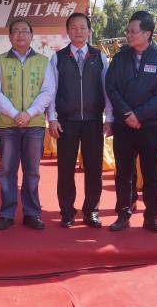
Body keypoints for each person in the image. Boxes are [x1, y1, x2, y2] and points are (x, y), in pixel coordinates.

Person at [105, 11, 157, 234]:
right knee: (123, 172)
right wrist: (127, 114)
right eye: (128, 31)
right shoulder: (119, 58)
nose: (128, 35)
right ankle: (123, 214)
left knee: (151, 173)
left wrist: (139, 115)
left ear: (147, 34)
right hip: (123, 125)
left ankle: (151, 217)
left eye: (133, 31)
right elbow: (111, 87)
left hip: (149, 126)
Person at [48, 12, 113, 229]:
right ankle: (67, 212)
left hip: (93, 121)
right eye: (74, 28)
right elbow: (51, 90)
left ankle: (91, 211)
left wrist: (109, 118)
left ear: (89, 31)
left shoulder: (99, 57)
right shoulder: (57, 58)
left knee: (94, 169)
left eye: (83, 27)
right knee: (65, 169)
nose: (78, 31)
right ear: (67, 31)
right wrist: (52, 118)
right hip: (67, 121)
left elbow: (107, 90)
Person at [0, 18, 54, 230]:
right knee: (7, 171)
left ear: (31, 35)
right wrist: (16, 114)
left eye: (24, 31)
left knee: (32, 171)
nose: (20, 34)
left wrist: (29, 113)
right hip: (8, 125)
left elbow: (48, 91)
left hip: (34, 124)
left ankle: (32, 213)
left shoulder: (43, 62)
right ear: (9, 37)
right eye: (15, 31)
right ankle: (7, 214)